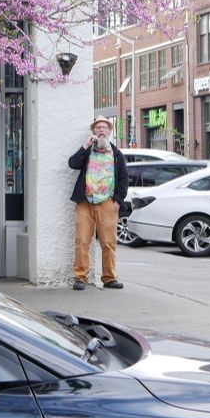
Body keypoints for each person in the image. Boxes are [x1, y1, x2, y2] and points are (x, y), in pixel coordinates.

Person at [68, 116, 128, 290]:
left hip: (107, 202)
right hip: (85, 202)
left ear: (109, 132)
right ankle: (80, 277)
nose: (101, 130)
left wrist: (117, 201)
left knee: (108, 242)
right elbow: (72, 163)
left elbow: (124, 179)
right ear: (94, 131)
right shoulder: (88, 151)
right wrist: (85, 145)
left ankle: (109, 277)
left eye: (104, 127)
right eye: (98, 127)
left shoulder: (116, 154)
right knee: (82, 241)